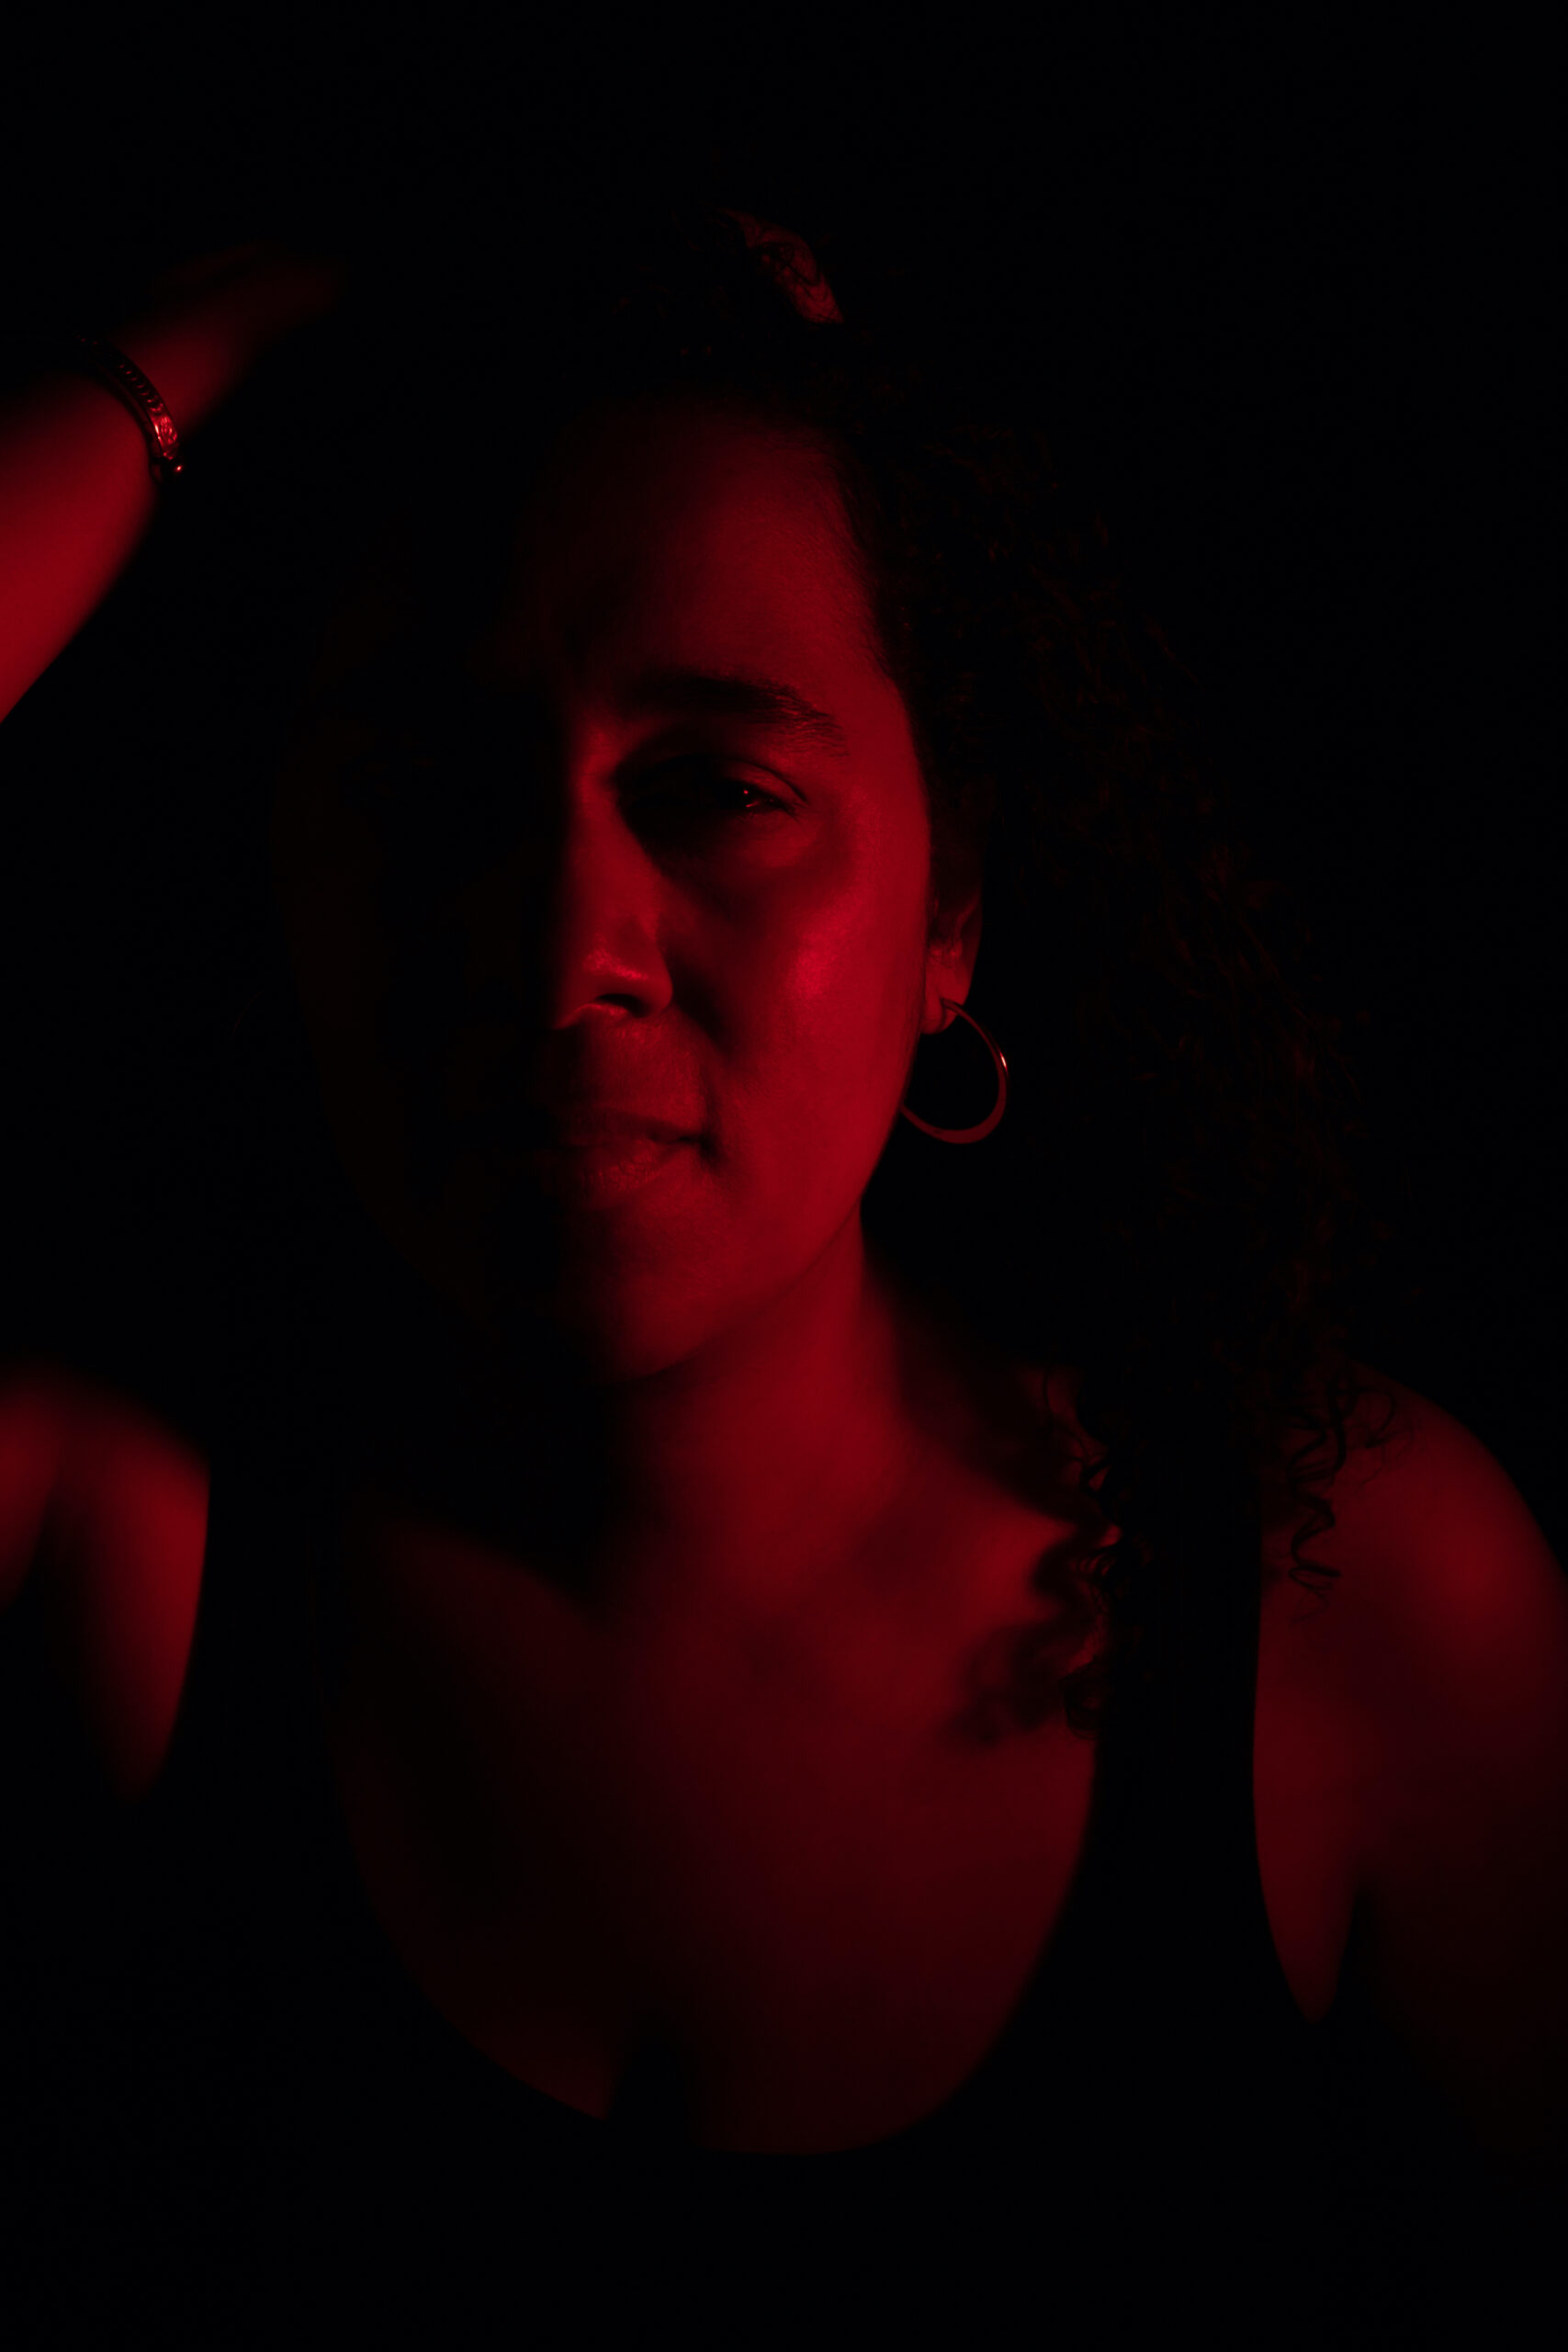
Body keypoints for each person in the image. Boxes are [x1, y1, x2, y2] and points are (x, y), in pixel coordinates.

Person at [2, 194, 1563, 2345]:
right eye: (432, 793)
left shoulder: (1345, 1600)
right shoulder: (121, 1564)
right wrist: (214, 351)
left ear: (949, 916)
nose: (560, 955)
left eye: (718, 788)